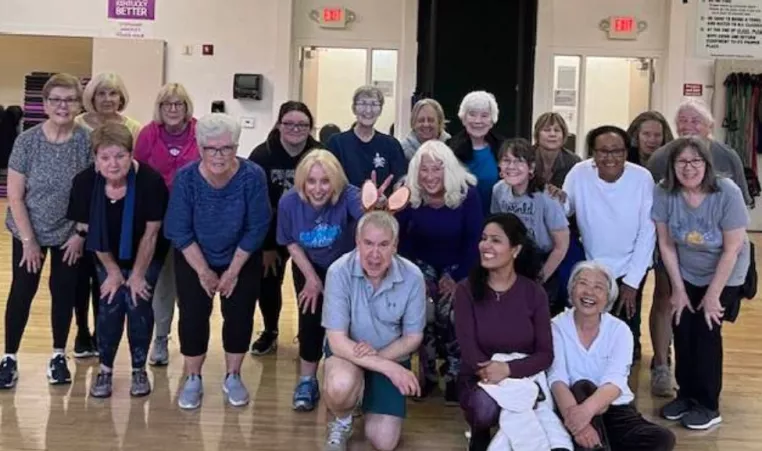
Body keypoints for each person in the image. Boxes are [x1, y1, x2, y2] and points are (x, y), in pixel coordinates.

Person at [164, 113, 271, 409]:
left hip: (242, 256)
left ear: (236, 147)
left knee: (239, 317)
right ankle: (193, 378)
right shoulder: (186, 178)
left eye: (226, 148)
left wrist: (233, 270)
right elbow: (178, 229)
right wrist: (203, 272)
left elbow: (258, 226)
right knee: (193, 317)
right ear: (200, 148)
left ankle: (233, 375)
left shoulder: (252, 176)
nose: (219, 155)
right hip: (194, 256)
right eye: (211, 148)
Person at [0, 73, 93, 388]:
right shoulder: (27, 141)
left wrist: (80, 234)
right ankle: (9, 357)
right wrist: (28, 241)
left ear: (78, 104)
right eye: (56, 100)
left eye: (69, 100)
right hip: (29, 231)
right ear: (45, 104)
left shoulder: (86, 141)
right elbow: (14, 195)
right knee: (22, 292)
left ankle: (58, 355)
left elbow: (92, 192)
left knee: (63, 292)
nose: (63, 106)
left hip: (69, 233)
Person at [653, 137, 750, 430]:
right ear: (672, 166)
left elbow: (732, 248)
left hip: (726, 272)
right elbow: (666, 244)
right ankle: (687, 395)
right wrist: (678, 289)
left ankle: (708, 405)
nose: (688, 167)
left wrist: (713, 296)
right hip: (686, 271)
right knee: (683, 329)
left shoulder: (726, 192)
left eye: (696, 161)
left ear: (707, 165)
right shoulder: (664, 191)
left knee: (706, 333)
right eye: (681, 161)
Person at [67, 123, 169, 398]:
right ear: (96, 158)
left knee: (137, 300)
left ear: (131, 154)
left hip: (147, 253)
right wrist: (113, 271)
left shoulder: (150, 181)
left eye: (120, 156)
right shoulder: (85, 182)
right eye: (105, 157)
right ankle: (106, 370)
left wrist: (136, 275)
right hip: (105, 252)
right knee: (110, 302)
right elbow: (90, 230)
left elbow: (152, 233)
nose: (113, 164)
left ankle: (138, 369)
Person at [320, 187, 426, 451]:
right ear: (357, 243)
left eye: (383, 245)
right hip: (349, 354)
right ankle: (342, 418)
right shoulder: (338, 271)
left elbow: (413, 337)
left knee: (385, 442)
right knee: (340, 385)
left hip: (389, 352)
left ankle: (366, 394)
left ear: (395, 246)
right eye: (368, 244)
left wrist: (379, 360)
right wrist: (387, 368)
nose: (374, 254)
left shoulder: (413, 277)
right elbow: (336, 340)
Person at [548, 261, 676, 451]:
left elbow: (615, 382)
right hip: (570, 406)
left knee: (662, 438)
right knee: (582, 386)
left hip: (614, 408)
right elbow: (557, 379)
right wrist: (580, 424)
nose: (589, 292)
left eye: (598, 287)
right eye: (583, 283)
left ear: (608, 297)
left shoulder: (619, 330)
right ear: (572, 289)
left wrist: (586, 413)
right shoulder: (555, 326)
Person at [454, 213, 554, 451]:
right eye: (484, 238)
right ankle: (481, 430)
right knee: (484, 408)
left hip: (522, 376)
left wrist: (508, 370)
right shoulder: (465, 290)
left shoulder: (534, 293)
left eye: (496, 240)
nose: (486, 245)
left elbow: (545, 354)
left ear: (515, 250)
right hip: (480, 377)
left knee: (526, 407)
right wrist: (491, 372)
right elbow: (469, 350)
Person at [277, 149, 365, 411]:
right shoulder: (289, 203)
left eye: (325, 181)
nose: (318, 189)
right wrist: (312, 279)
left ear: (336, 181)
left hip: (345, 267)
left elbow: (371, 221)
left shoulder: (349, 194)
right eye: (311, 181)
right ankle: (307, 380)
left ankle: (352, 383)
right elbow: (289, 241)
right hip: (307, 265)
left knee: (348, 323)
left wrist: (377, 205)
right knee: (310, 320)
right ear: (302, 182)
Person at [396, 139, 483, 403]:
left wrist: (456, 278)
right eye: (424, 170)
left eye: (437, 169)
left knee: (454, 313)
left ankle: (457, 373)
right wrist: (416, 277)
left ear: (449, 170)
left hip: (459, 264)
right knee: (423, 311)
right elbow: (399, 241)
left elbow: (474, 240)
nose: (430, 176)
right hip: (419, 264)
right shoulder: (408, 194)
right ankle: (429, 373)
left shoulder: (467, 193)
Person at [563, 125, 656, 361]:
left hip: (630, 265)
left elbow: (648, 231)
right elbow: (565, 210)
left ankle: (622, 385)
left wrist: (633, 281)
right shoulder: (579, 172)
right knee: (590, 327)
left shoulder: (642, 178)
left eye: (617, 151)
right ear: (593, 153)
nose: (610, 157)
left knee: (626, 335)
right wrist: (554, 198)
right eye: (603, 151)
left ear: (626, 152)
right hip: (591, 265)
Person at [73, 72, 142, 358]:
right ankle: (81, 332)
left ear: (121, 97)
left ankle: (104, 335)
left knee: (106, 273)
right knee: (81, 275)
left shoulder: (133, 127)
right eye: (101, 93)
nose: (107, 99)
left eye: (112, 93)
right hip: (85, 203)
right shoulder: (78, 125)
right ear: (92, 96)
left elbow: (135, 168)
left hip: (117, 206)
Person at [248, 101, 323, 356]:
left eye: (302, 124)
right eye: (289, 123)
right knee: (267, 282)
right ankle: (270, 331)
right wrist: (267, 245)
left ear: (310, 127)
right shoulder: (261, 155)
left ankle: (307, 333)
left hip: (308, 232)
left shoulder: (319, 154)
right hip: (271, 232)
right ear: (279, 124)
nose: (295, 128)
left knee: (309, 284)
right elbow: (256, 205)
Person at [134, 82, 199, 367]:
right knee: (162, 284)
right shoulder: (148, 134)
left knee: (192, 283)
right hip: (155, 219)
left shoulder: (201, 132)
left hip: (193, 220)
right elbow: (137, 176)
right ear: (159, 108)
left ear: (187, 107)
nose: (173, 109)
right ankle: (160, 339)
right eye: (167, 104)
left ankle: (192, 346)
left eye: (179, 104)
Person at [625, 110, 676, 397]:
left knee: (665, 296)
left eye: (657, 135)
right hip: (636, 237)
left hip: (668, 235)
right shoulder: (626, 161)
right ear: (636, 136)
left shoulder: (672, 160)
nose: (652, 140)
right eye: (646, 134)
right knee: (635, 289)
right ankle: (631, 345)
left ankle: (662, 356)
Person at [491, 138, 570, 315]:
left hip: (542, 264)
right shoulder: (498, 190)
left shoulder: (546, 197)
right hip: (510, 262)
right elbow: (496, 228)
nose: (512, 166)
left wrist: (538, 279)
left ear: (531, 168)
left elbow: (561, 246)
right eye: (506, 160)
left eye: (519, 161)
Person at [647, 98, 751, 206]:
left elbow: (741, 203)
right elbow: (650, 203)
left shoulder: (728, 157)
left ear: (709, 126)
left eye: (695, 121)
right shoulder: (660, 158)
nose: (688, 126)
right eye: (683, 120)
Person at [327, 85, 407, 193]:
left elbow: (399, 182)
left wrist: (388, 200)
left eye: (374, 104)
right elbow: (329, 182)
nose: (368, 110)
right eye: (363, 104)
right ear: (354, 108)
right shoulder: (337, 143)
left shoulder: (392, 145)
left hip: (382, 208)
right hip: (345, 208)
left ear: (380, 110)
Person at [447, 91, 503, 214]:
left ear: (492, 119)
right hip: (459, 219)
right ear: (463, 118)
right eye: (472, 114)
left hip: (495, 221)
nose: (478, 121)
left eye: (484, 115)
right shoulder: (449, 148)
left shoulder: (503, 148)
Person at [532, 112, 580, 190]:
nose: (552, 134)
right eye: (547, 130)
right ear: (537, 134)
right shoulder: (524, 157)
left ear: (563, 135)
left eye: (557, 130)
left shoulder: (574, 162)